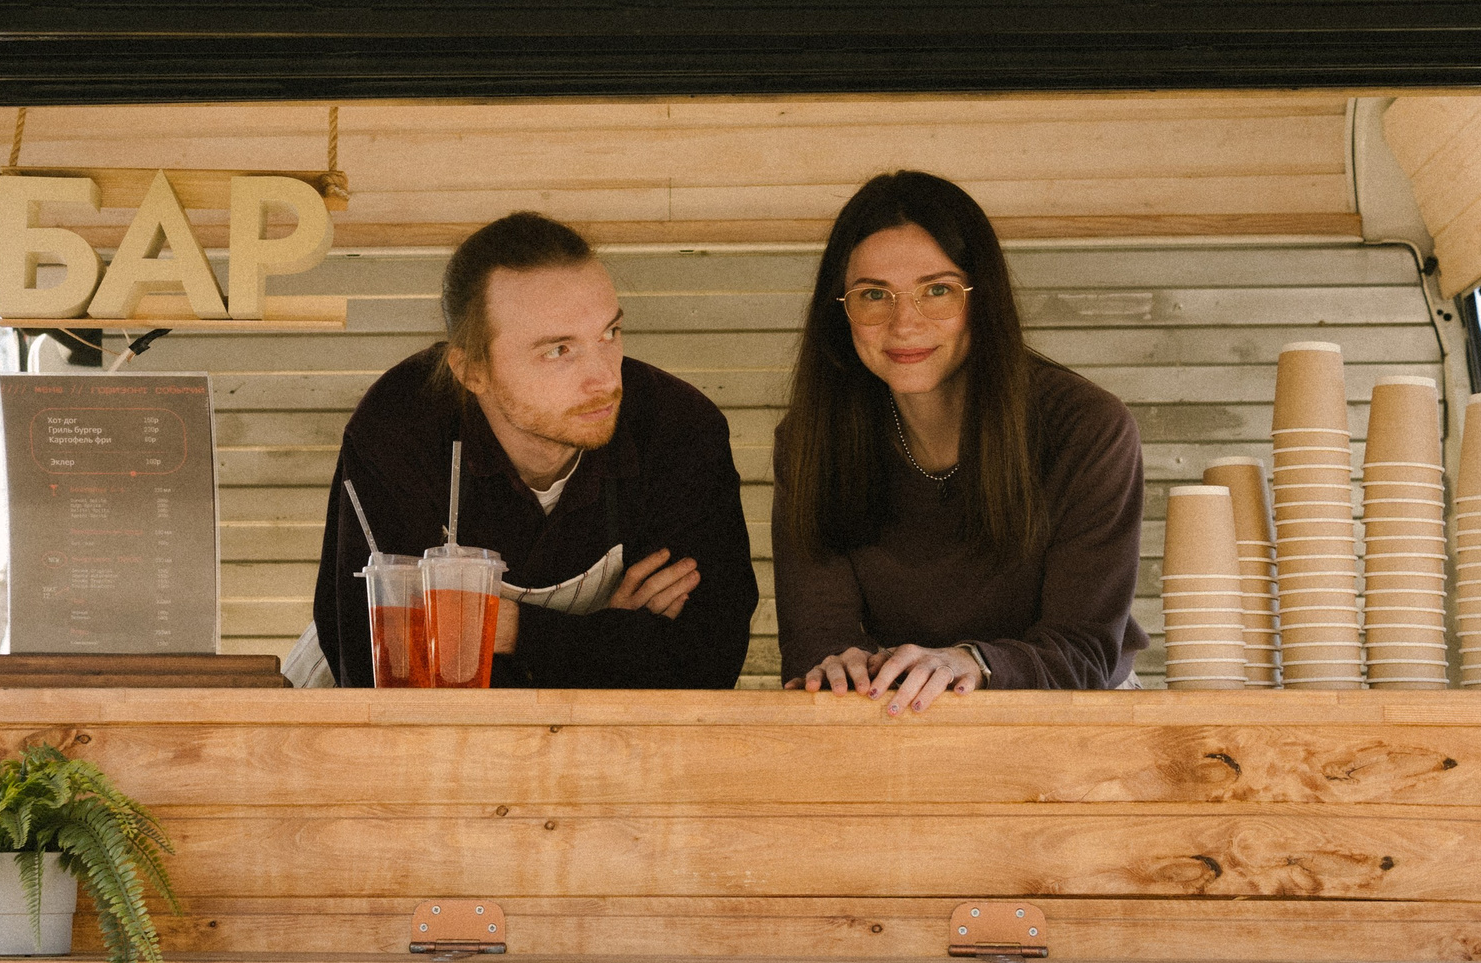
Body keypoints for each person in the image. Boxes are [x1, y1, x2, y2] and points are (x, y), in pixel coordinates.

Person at [310, 212, 756, 688]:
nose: (605, 378)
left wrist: (505, 628)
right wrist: (608, 638)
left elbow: (707, 665)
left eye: (609, 334)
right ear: (471, 370)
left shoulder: (679, 429)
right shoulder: (399, 427)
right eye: (558, 350)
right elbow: (376, 669)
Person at [774, 170, 1146, 714]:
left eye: (938, 291)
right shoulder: (811, 438)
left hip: (1075, 715)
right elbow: (816, 639)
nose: (905, 323)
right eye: (874, 295)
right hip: (903, 715)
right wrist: (832, 669)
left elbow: (1084, 653)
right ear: (841, 310)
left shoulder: (1086, 427)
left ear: (982, 299)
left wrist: (972, 662)